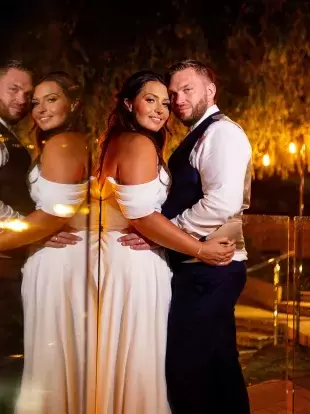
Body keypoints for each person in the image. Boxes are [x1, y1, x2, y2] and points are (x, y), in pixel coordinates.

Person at [93, 69, 235, 414]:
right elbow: (142, 216)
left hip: (114, 257)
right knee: (139, 359)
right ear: (129, 104)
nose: (160, 109)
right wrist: (200, 248)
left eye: (165, 102)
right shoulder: (139, 144)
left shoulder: (114, 141)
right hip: (133, 264)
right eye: (149, 100)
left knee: (119, 357)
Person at [0, 71, 90, 413]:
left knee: (51, 357)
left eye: (49, 99)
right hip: (49, 255)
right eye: (35, 101)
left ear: (74, 103)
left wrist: (9, 239)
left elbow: (53, 215)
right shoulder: (61, 142)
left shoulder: (63, 144)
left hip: (56, 259)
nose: (35, 107)